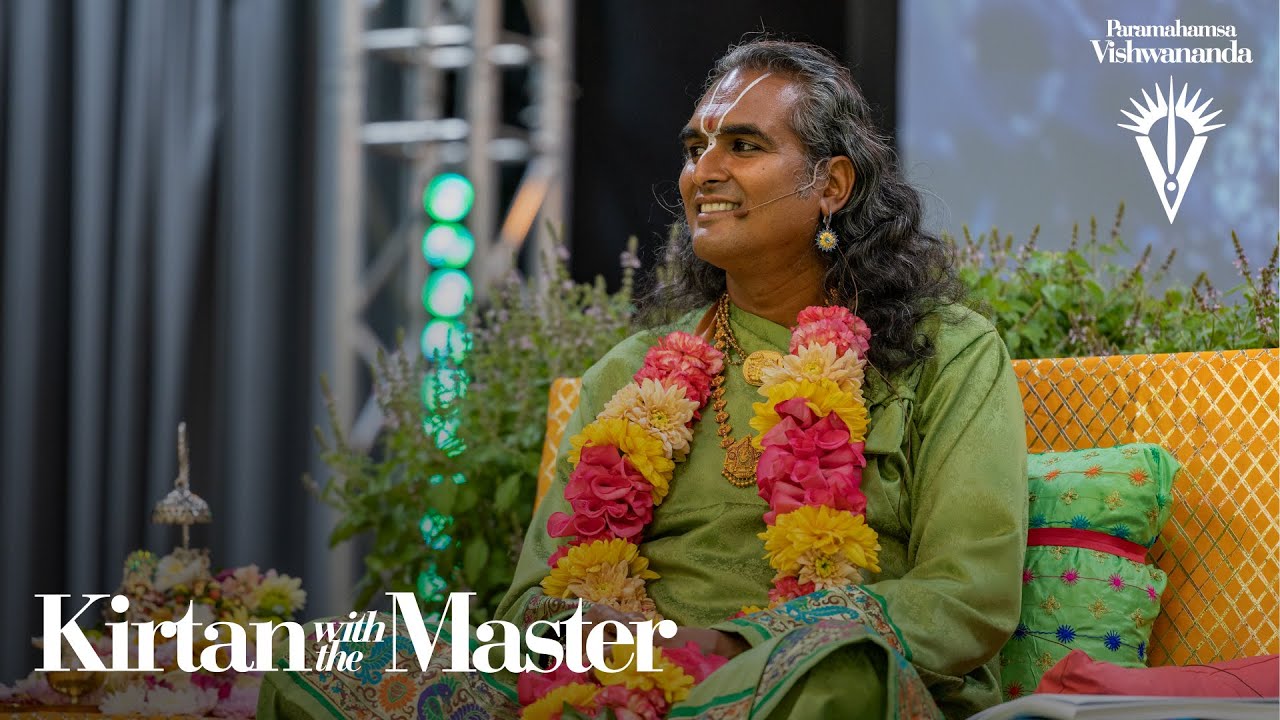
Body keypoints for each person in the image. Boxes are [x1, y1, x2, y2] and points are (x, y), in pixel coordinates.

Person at [259, 39, 1027, 720]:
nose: (706, 172)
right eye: (696, 147)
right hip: (612, 688)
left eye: (744, 145)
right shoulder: (628, 374)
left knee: (833, 676)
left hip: (798, 678)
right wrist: (593, 639)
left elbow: (969, 593)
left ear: (831, 185)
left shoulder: (943, 355)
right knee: (321, 666)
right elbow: (531, 606)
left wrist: (728, 645)